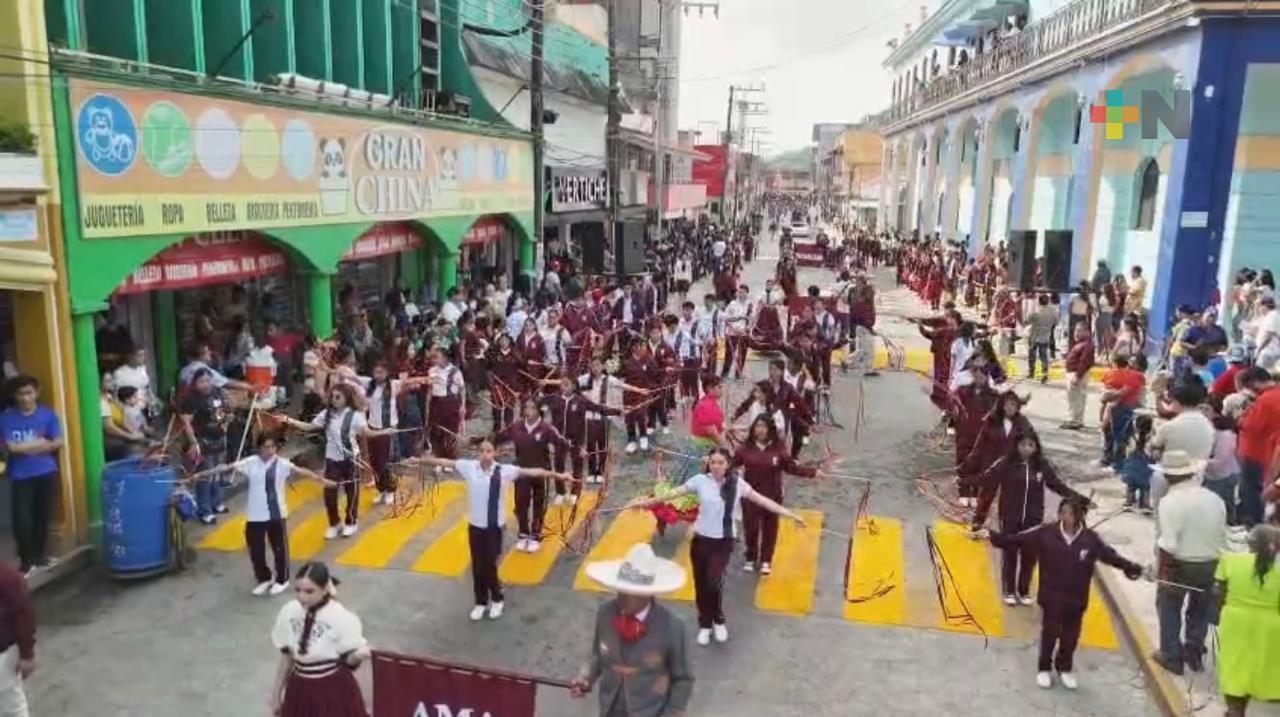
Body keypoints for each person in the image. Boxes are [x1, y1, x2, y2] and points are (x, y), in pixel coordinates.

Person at [623, 447, 805, 646]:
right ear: (709, 464)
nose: (716, 466)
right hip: (701, 540)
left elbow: (763, 501)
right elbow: (672, 494)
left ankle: (718, 620)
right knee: (701, 585)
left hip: (723, 542)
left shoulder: (738, 484)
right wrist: (647, 502)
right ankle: (705, 625)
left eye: (720, 463)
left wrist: (791, 515)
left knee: (713, 581)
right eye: (713, 463)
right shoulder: (700, 481)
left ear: (728, 464)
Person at [984, 495, 1144, 690]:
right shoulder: (1046, 533)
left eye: (1068, 513)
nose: (1064, 516)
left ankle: (1064, 668)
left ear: (1079, 516)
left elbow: (1110, 557)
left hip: (1076, 599)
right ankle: (1044, 669)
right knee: (1050, 633)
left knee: (1071, 637)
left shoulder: (1090, 540)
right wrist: (994, 537)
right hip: (1051, 596)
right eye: (1062, 512)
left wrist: (1131, 567)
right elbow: (1018, 540)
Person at [417, 442, 569, 620]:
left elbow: (534, 472)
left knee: (489, 565)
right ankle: (480, 602)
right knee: (477, 566)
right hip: (475, 527)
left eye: (488, 451)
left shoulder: (504, 471)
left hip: (494, 528)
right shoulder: (469, 468)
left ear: (495, 453)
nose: (484, 455)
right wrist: (421, 459)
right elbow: (446, 462)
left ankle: (497, 599)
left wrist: (559, 475)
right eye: (481, 451)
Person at [193, 433, 331, 596]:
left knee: (279, 548)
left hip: (276, 514)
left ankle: (282, 579)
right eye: (266, 447)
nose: (270, 450)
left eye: (272, 446)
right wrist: (202, 474)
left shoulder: (281, 464)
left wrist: (322, 480)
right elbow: (226, 467)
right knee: (256, 550)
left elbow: (302, 472)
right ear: (259, 448)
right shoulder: (251, 462)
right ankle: (265, 578)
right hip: (255, 515)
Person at [572, 543, 695, 717]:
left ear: (648, 594)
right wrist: (585, 678)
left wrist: (672, 713)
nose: (623, 597)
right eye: (621, 590)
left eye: (632, 593)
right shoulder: (605, 613)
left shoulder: (672, 626)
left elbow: (683, 679)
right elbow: (597, 656)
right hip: (609, 709)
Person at [972, 433, 1083, 605]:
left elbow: (1056, 485)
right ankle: (1009, 590)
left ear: (1036, 447)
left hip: (1033, 519)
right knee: (1010, 554)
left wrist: (1080, 499)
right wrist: (964, 480)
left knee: (1029, 556)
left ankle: (1023, 590)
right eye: (1023, 444)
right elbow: (987, 478)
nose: (1027, 448)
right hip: (1010, 517)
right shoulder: (1006, 463)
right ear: (1016, 445)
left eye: (1031, 445)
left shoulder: (1041, 466)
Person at [283, 383, 397, 539]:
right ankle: (334, 523)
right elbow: (310, 427)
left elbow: (367, 433)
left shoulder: (355, 415)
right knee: (329, 493)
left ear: (346, 398)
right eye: (332, 396)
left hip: (351, 460)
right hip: (332, 460)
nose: (334, 399)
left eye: (338, 397)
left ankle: (351, 522)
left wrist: (384, 432)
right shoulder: (326, 414)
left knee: (352, 493)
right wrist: (290, 421)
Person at [1151, 450, 1226, 676]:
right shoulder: (1214, 498)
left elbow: (1168, 544)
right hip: (1212, 562)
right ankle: (1194, 651)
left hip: (1181, 564)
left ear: (1168, 476)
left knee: (1169, 606)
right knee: (1199, 609)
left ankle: (1171, 656)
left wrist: (1163, 573)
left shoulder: (1170, 502)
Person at [269, 562, 370, 717]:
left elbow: (349, 663)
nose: (302, 597)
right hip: (299, 689)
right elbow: (287, 657)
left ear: (324, 590)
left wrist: (357, 655)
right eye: (298, 590)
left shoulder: (339, 616)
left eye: (309, 591)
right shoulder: (289, 611)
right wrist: (276, 693)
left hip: (332, 690)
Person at [734, 415, 821, 574]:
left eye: (764, 426)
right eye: (757, 426)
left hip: (772, 495)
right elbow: (730, 464)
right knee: (751, 527)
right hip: (750, 496)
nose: (760, 430)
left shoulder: (778, 448)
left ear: (770, 429)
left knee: (770, 528)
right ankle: (751, 557)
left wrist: (812, 473)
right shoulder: (745, 448)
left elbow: (791, 467)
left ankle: (766, 559)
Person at [1214, 525, 1280, 717]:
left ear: (1249, 543)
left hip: (1235, 621)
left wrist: (1222, 614)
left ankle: (1235, 711)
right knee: (1261, 668)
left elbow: (1219, 594)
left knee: (1235, 669)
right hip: (1271, 626)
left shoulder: (1230, 561)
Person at [0, 377, 63, 577]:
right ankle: (26, 561)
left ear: (36, 393)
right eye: (21, 394)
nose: (26, 398)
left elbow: (58, 442)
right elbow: (12, 448)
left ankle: (39, 556)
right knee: (22, 519)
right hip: (20, 474)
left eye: (29, 393)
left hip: (45, 471)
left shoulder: (48, 415)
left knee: (42, 515)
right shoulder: (7, 418)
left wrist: (27, 447)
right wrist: (42, 443)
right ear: (15, 396)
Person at [495, 398, 574, 553]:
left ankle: (536, 533)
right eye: (526, 407)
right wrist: (488, 446)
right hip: (521, 471)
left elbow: (562, 443)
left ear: (539, 411)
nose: (528, 411)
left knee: (539, 503)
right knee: (520, 503)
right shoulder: (516, 426)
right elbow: (499, 437)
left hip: (540, 471)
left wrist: (574, 453)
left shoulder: (546, 429)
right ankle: (524, 532)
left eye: (532, 408)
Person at [1149, 382, 1214, 510]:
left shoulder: (1170, 426)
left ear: (1177, 403)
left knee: (1162, 517)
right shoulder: (1208, 426)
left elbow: (1153, 446)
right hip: (1196, 477)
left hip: (1168, 477)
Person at [179, 369, 231, 525]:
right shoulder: (190, 400)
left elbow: (222, 413)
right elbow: (186, 423)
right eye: (201, 381)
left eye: (208, 380)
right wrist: (193, 443)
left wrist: (225, 427)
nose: (206, 384)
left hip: (219, 440)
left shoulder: (217, 393)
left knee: (217, 473)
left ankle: (216, 503)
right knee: (205, 476)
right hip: (202, 442)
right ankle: (205, 511)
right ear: (195, 383)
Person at [1235, 367, 1280, 528]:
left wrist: (1240, 419)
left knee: (1251, 491)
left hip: (1256, 451)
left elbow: (1251, 426)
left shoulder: (1265, 400)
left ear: (1253, 383)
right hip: (1268, 454)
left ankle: (1252, 527)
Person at [1097, 354, 1145, 471]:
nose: (1129, 364)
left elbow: (1123, 392)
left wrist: (1109, 395)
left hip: (1125, 407)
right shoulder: (1129, 374)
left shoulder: (1135, 376)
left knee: (1119, 436)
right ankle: (1109, 459)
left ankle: (1117, 464)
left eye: (1133, 362)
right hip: (1121, 406)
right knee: (1113, 434)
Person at [0, 560, 35, 715]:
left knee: (12, 706)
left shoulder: (7, 577)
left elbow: (23, 613)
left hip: (3, 655)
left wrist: (26, 653)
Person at [1061, 323, 1094, 430]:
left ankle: (1074, 421)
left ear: (1086, 332)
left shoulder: (1086, 345)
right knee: (1075, 397)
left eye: (1079, 330)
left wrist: (1077, 376)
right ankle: (1076, 419)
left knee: (1076, 397)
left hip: (1077, 374)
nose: (1076, 333)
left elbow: (1084, 362)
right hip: (1075, 373)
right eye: (1076, 330)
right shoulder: (1080, 344)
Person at [1121, 414, 1156, 513]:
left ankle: (1129, 502)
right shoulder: (1150, 441)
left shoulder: (1133, 439)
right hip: (1145, 470)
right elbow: (1153, 455)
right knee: (1145, 488)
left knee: (1131, 487)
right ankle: (1145, 504)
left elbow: (1127, 451)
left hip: (1131, 468)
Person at [1026, 293, 1058, 383]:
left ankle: (1031, 372)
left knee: (1032, 355)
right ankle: (1044, 374)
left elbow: (1027, 321)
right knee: (1044, 356)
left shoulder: (1036, 312)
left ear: (1039, 302)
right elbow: (1056, 322)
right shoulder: (1052, 312)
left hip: (1034, 336)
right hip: (1045, 336)